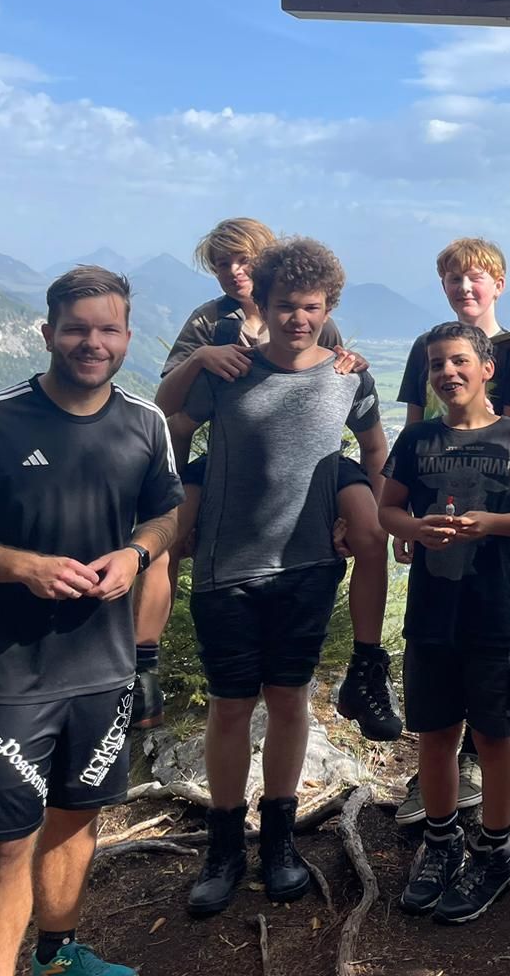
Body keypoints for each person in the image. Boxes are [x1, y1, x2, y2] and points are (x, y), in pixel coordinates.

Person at [0, 266, 182, 976]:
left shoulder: (144, 422)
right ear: (48, 333)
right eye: (77, 329)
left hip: (104, 667)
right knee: (5, 840)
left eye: (108, 329)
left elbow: (166, 515)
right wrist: (20, 566)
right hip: (8, 673)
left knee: (77, 817)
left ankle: (58, 955)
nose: (93, 342)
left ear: (127, 336)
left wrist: (136, 553)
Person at [156, 238, 389, 917]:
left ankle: (280, 842)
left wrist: (370, 513)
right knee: (231, 707)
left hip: (308, 564)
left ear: (329, 307)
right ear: (264, 303)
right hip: (227, 565)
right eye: (286, 305)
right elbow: (171, 419)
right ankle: (224, 849)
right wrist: (178, 500)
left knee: (290, 702)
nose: (298, 318)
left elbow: (374, 447)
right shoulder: (230, 369)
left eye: (311, 307)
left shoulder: (349, 376)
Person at [138, 216, 397, 744]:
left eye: (242, 260)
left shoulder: (311, 308)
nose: (233, 272)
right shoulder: (211, 322)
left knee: (370, 532)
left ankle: (368, 666)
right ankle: (142, 667)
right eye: (222, 264)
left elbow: (342, 377)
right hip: (232, 454)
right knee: (162, 537)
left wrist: (354, 364)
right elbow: (175, 414)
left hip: (317, 458)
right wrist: (203, 360)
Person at [379, 323, 510, 924]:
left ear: (486, 368)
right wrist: (414, 529)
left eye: (458, 361)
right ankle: (441, 841)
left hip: (495, 615)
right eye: (436, 364)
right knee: (435, 735)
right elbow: (387, 507)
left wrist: (490, 524)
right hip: (432, 616)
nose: (447, 373)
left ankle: (495, 849)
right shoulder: (417, 438)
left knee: (493, 735)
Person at [393, 237, 510, 826]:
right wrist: (405, 515)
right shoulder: (428, 348)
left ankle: (472, 769)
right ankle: (440, 775)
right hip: (434, 521)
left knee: (486, 646)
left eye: (476, 278)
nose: (465, 288)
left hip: (493, 531)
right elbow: (413, 429)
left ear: (498, 283)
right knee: (440, 645)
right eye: (453, 279)